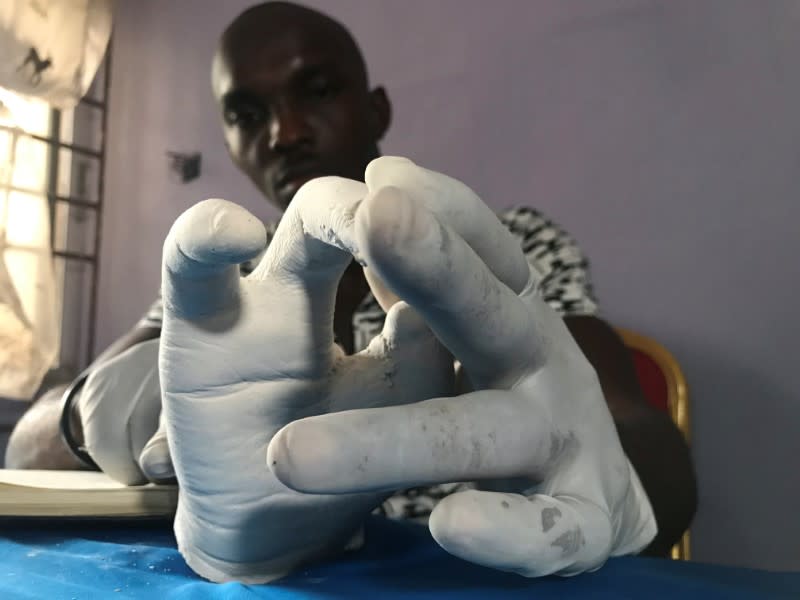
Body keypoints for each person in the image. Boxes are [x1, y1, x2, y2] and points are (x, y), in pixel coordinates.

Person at [5, 0, 696, 580]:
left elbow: (645, 443)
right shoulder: (221, 282)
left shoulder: (501, 247)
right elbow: (23, 454)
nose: (286, 134)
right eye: (247, 114)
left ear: (376, 109)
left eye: (317, 90)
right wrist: (88, 407)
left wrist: (615, 481)